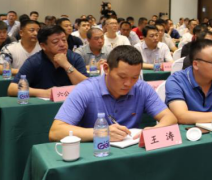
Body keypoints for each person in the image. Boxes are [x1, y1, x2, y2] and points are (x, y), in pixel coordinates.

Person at [49, 46, 178, 142]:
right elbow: (55, 131)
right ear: (106, 68)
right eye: (122, 77)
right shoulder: (85, 90)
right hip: (96, 151)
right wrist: (100, 132)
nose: (128, 83)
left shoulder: (142, 88)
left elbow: (170, 118)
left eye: (134, 77)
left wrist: (155, 130)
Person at [8, 25, 88, 98]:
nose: (62, 44)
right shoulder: (34, 61)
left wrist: (67, 65)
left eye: (64, 40)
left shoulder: (75, 58)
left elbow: (87, 87)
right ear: (43, 46)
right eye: (55, 42)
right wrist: (44, 92)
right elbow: (12, 89)